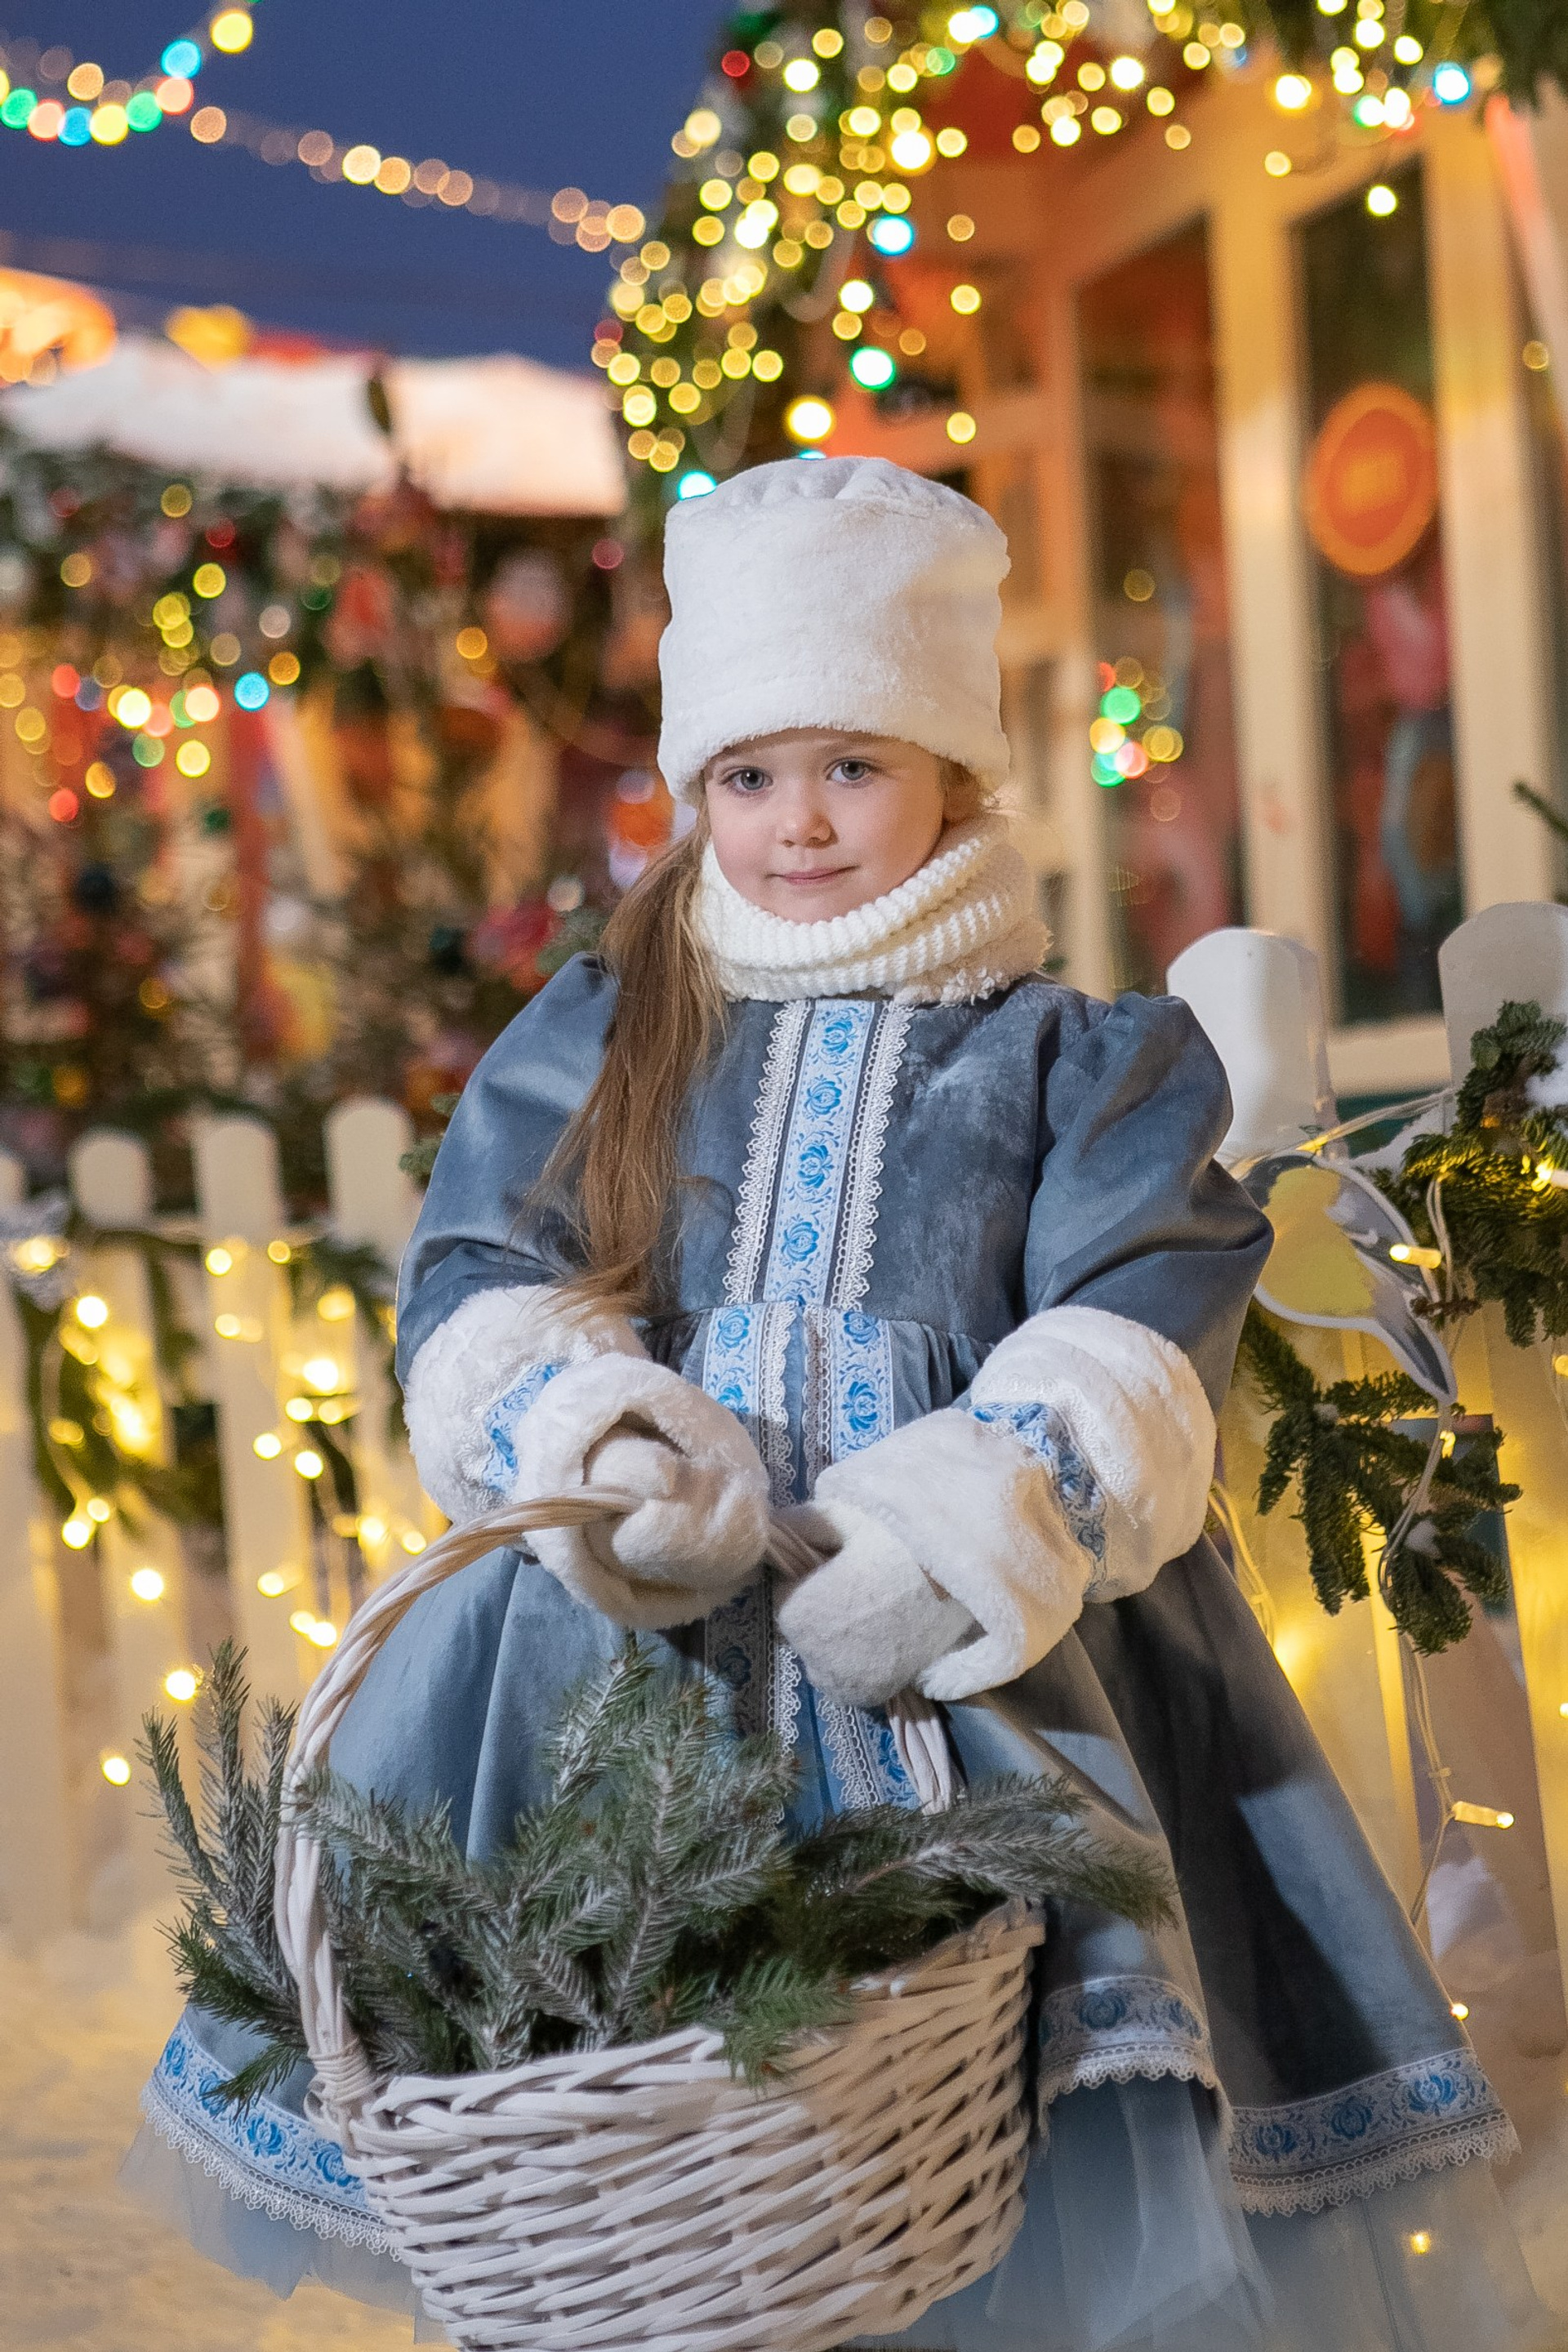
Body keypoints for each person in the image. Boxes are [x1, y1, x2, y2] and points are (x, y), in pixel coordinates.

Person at [126, 457, 1556, 2350]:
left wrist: (979, 1508)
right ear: (696, 788)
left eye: (854, 766)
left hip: (991, 1655)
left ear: (957, 771)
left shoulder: (1083, 1059)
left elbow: (1133, 1313)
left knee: (1002, 2025)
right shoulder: (612, 1035)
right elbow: (484, 1278)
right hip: (637, 1632)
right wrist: (599, 1434)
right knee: (633, 2040)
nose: (799, 824)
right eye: (749, 775)